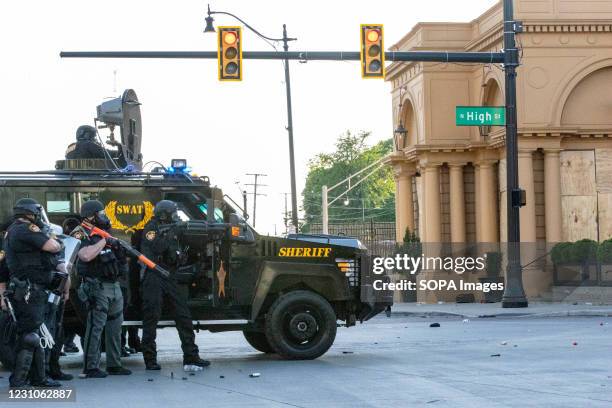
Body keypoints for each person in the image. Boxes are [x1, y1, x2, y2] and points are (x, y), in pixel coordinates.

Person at [140, 200, 210, 370]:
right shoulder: (151, 228)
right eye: (173, 213)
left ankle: (191, 356)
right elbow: (157, 248)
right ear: (164, 214)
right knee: (152, 318)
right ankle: (150, 360)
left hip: (170, 276)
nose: (175, 216)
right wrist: (171, 233)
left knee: (184, 316)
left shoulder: (172, 228)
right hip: (154, 276)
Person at [3, 198, 63, 388]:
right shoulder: (25, 229)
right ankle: (19, 380)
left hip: (26, 289)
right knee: (29, 335)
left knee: (34, 333)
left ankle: (39, 378)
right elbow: (53, 247)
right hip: (30, 290)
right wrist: (54, 239)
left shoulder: (12, 230)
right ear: (30, 214)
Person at [73, 200, 131, 378]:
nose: (104, 216)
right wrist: (104, 241)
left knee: (115, 326)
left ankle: (114, 364)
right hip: (96, 286)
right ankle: (90, 367)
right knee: (95, 328)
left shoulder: (104, 233)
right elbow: (85, 255)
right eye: (101, 213)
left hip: (113, 285)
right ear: (91, 216)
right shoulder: (81, 232)